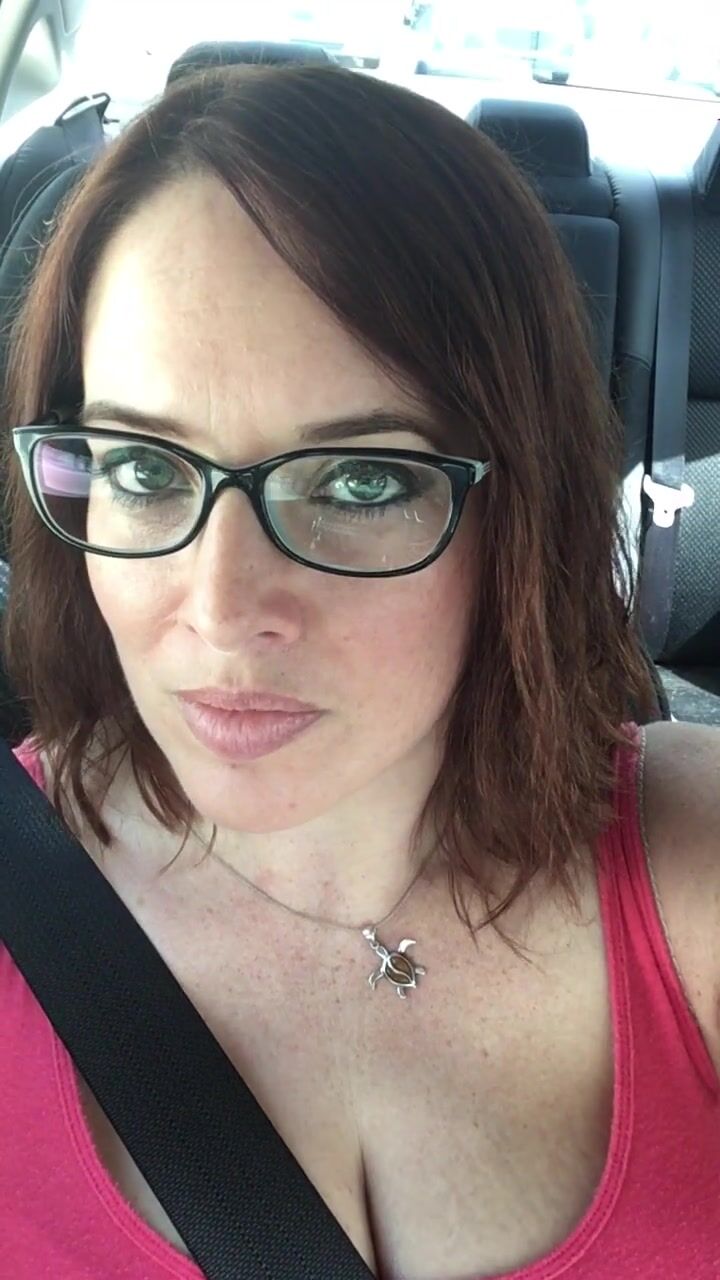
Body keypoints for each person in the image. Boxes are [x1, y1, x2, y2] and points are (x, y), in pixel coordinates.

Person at [1, 61, 718, 1280]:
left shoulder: (694, 868)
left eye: (361, 481)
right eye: (143, 467)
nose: (223, 613)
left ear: (520, 509)